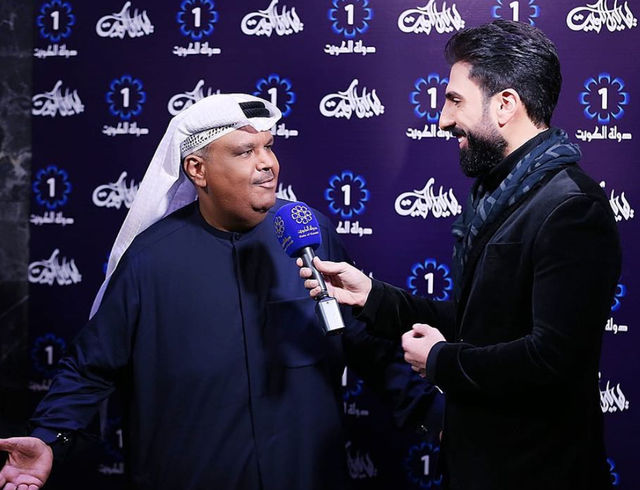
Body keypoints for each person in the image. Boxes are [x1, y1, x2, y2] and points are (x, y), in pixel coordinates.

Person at [0, 94, 441, 490]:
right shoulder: (150, 259)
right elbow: (89, 367)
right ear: (197, 169)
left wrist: (438, 418)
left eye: (269, 146)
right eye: (246, 151)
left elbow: (366, 344)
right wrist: (49, 439)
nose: (267, 163)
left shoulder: (311, 234)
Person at [298, 20, 621, 490]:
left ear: (505, 104)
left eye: (455, 100)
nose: (443, 120)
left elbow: (553, 359)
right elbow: (481, 322)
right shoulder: (498, 194)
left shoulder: (572, 207)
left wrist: (440, 361)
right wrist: (372, 296)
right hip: (480, 465)